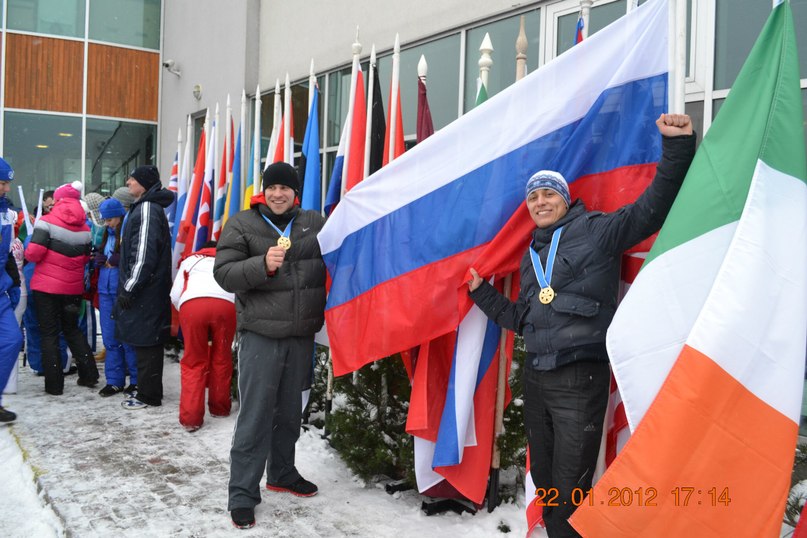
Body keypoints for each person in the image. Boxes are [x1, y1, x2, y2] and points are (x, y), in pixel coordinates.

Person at [467, 114, 696, 537]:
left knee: (573, 488)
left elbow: (652, 209)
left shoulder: (597, 231)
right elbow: (524, 318)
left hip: (578, 379)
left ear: (564, 198)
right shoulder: (529, 257)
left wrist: (677, 146)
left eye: (548, 193)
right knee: (550, 483)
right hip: (537, 379)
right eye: (533, 196)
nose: (540, 201)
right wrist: (482, 292)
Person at [214, 162, 326, 530]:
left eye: (285, 188)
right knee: (256, 415)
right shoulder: (242, 224)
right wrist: (261, 264)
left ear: (296, 193)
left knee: (289, 412)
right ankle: (242, 494)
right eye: (272, 187)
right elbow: (225, 274)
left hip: (300, 334)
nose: (278, 194)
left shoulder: (314, 223)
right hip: (260, 334)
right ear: (264, 191)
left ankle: (281, 472)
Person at [24, 181, 98, 395]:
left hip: (46, 289)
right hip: (72, 289)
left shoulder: (45, 223)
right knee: (72, 329)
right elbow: (85, 258)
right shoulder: (85, 228)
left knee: (49, 334)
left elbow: (34, 254)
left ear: (58, 200)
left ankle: (54, 385)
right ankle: (89, 374)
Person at [114, 166, 173, 410]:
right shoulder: (145, 206)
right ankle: (147, 391)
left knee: (147, 342)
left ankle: (149, 395)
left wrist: (129, 287)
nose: (128, 182)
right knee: (145, 340)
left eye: (133, 179)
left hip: (146, 291)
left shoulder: (147, 208)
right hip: (147, 290)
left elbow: (143, 254)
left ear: (145, 184)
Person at [170, 240, 235, 432]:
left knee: (193, 361)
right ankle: (220, 408)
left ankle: (191, 418)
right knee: (222, 358)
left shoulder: (190, 261)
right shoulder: (231, 260)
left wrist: (185, 310)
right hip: (226, 306)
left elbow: (175, 295)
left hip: (193, 307)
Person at [95, 198, 137, 397]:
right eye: (105, 220)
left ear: (120, 216)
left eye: (110, 219)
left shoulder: (128, 234)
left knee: (128, 337)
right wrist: (96, 259)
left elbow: (135, 260)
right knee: (110, 339)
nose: (107, 223)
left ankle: (135, 380)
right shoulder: (105, 235)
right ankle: (114, 381)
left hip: (122, 292)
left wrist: (119, 260)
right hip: (105, 292)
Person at [0, 157, 23, 422]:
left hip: (2, 292)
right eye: (3, 183)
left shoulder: (5, 212)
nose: (6, 189)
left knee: (11, 340)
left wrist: (14, 283)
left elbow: (5, 254)